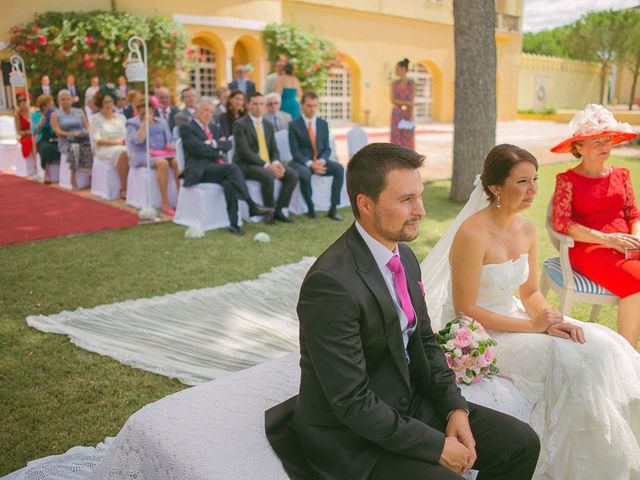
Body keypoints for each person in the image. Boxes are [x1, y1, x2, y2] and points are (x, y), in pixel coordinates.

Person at [265, 142, 541, 480]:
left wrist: (455, 407)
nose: (421, 210)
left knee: (522, 443)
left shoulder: (405, 257)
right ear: (365, 204)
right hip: (352, 436)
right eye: (406, 200)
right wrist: (435, 446)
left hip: (409, 403)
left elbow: (424, 339)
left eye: (420, 196)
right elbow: (352, 401)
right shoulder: (330, 285)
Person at [422, 143, 640, 479]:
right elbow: (466, 308)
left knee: (603, 344)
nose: (534, 190)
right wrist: (535, 326)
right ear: (495, 187)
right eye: (522, 182)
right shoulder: (472, 233)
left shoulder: (526, 228)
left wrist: (550, 317)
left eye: (535, 179)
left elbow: (532, 292)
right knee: (575, 361)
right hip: (485, 331)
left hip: (522, 318)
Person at [551, 104, 640, 348]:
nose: (604, 146)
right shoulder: (567, 180)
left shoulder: (622, 174)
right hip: (588, 248)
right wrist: (609, 239)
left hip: (626, 245)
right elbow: (561, 222)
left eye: (607, 140)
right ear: (578, 147)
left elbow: (633, 213)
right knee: (637, 284)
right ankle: (628, 357)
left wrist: (635, 237)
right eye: (596, 141)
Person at [179, 98, 273, 236]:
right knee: (232, 168)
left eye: (211, 112)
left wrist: (211, 144)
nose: (208, 114)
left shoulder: (214, 128)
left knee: (230, 184)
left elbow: (228, 145)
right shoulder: (187, 128)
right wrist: (217, 148)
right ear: (196, 111)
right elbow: (197, 149)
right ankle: (251, 205)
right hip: (198, 169)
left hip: (216, 169)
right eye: (205, 110)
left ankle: (234, 225)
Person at [233, 91, 298, 223]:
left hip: (267, 164)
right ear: (247, 105)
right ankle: (270, 214)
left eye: (261, 104)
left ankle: (280, 210)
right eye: (255, 104)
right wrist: (267, 166)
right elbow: (245, 151)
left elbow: (274, 149)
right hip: (246, 165)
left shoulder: (268, 125)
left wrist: (275, 162)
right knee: (268, 175)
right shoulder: (240, 124)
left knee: (292, 174)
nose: (259, 107)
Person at [288, 91, 344, 221]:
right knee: (305, 174)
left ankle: (333, 209)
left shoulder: (322, 124)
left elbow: (327, 149)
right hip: (301, 162)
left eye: (314, 106)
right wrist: (310, 164)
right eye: (309, 105)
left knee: (339, 169)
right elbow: (295, 152)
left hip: (319, 161)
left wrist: (322, 161)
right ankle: (310, 208)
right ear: (302, 106)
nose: (312, 109)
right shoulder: (294, 125)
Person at [126, 99, 179, 216]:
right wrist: (144, 124)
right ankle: (165, 202)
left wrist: (171, 145)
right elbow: (136, 141)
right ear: (137, 111)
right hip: (144, 154)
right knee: (162, 164)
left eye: (148, 111)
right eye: (142, 112)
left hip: (164, 152)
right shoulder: (132, 123)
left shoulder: (162, 121)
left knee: (177, 162)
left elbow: (171, 138)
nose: (146, 114)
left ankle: (181, 199)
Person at [90, 89, 129, 198]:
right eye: (105, 102)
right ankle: (123, 188)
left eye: (110, 101)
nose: (109, 104)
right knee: (123, 153)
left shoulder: (121, 117)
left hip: (123, 145)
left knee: (131, 151)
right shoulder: (95, 119)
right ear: (100, 103)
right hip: (104, 148)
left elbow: (127, 135)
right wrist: (117, 142)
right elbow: (98, 140)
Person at [51, 89, 91, 190]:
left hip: (81, 137)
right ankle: (73, 179)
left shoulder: (79, 111)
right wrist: (71, 134)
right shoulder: (55, 115)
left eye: (68, 99)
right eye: (63, 99)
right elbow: (57, 131)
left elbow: (87, 127)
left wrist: (84, 133)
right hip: (66, 140)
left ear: (71, 100)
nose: (66, 101)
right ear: (59, 101)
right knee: (75, 148)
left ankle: (91, 176)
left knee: (91, 146)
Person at [31, 95, 60, 183]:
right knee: (46, 148)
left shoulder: (56, 112)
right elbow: (34, 131)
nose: (53, 105)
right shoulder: (36, 115)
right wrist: (40, 124)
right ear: (44, 106)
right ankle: (47, 174)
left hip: (55, 137)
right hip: (43, 138)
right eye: (51, 104)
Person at [390, 58, 415, 149]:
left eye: (397, 68)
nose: (395, 71)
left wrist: (411, 117)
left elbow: (412, 102)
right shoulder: (394, 83)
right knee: (396, 139)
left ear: (403, 69)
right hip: (397, 114)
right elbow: (392, 100)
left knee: (408, 138)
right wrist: (407, 103)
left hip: (408, 113)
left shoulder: (412, 84)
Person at [14, 94, 34, 162]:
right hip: (26, 136)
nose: (22, 102)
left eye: (24, 100)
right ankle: (35, 164)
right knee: (32, 141)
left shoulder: (33, 111)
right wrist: (27, 132)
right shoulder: (18, 115)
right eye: (20, 101)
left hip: (36, 133)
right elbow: (19, 131)